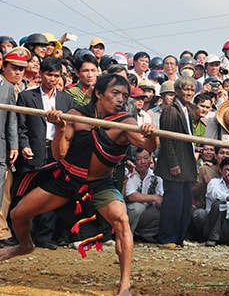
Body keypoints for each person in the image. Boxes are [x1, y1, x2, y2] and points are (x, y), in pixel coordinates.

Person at [0, 74, 159, 296]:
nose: (121, 99)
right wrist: (61, 128)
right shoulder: (75, 115)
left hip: (99, 185)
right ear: (98, 94)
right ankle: (25, 245)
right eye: (115, 94)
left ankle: (125, 284)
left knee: (122, 220)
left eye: (124, 95)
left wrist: (152, 137)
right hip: (66, 180)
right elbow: (58, 154)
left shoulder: (126, 122)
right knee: (18, 215)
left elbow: (147, 145)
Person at [16, 57, 74, 250]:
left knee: (51, 193)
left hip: (57, 152)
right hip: (34, 151)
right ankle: (24, 237)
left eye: (56, 76)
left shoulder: (66, 100)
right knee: (27, 194)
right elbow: (21, 126)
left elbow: (70, 129)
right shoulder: (26, 97)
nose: (52, 79)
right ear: (40, 74)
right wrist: (24, 145)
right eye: (49, 74)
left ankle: (45, 237)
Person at [155, 76, 198, 250]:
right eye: (185, 89)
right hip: (175, 164)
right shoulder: (171, 110)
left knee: (185, 203)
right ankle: (166, 238)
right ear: (177, 91)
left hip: (186, 164)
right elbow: (167, 140)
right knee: (173, 203)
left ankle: (179, 238)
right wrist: (173, 164)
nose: (189, 93)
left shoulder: (187, 109)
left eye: (191, 90)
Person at [0, 48, 21, 246]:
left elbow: (11, 120)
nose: (18, 72)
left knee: (3, 189)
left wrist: (13, 145)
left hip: (2, 147)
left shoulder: (6, 87)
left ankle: (1, 231)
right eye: (14, 68)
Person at [125, 148, 163, 243]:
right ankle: (127, 235)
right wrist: (154, 197)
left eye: (146, 158)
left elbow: (160, 198)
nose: (143, 162)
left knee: (164, 211)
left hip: (146, 214)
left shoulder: (156, 176)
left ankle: (143, 235)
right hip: (129, 212)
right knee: (138, 207)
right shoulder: (129, 173)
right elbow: (131, 195)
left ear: (151, 158)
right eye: (139, 159)